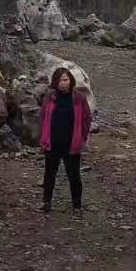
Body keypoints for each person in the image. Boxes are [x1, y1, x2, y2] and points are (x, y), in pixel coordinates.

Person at [39, 66, 93, 212]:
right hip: (53, 142)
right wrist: (43, 136)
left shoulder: (78, 98)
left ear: (71, 80)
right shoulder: (50, 97)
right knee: (49, 174)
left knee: (74, 175)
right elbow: (43, 116)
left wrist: (82, 136)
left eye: (65, 79)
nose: (63, 83)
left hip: (71, 143)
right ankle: (46, 202)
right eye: (59, 81)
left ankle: (77, 205)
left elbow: (87, 118)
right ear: (55, 83)